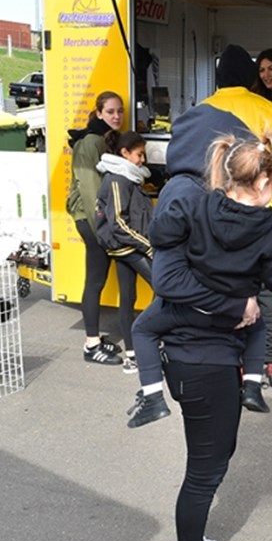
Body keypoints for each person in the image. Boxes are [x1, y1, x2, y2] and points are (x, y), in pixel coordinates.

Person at [147, 127, 272, 541]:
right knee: (205, 471)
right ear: (263, 183)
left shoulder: (198, 207)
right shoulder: (266, 228)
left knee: (216, 458)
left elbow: (168, 245)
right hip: (203, 359)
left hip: (196, 354)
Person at [126, 117, 272, 428]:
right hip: (237, 308)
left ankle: (152, 396)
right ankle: (252, 386)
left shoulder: (198, 205)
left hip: (194, 306)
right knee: (258, 327)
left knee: (142, 329)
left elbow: (161, 234)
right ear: (263, 184)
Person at [207, 44, 272, 389]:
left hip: (217, 213)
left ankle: (232, 362)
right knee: (269, 287)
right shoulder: (266, 108)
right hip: (262, 210)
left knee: (223, 284)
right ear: (249, 76)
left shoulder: (203, 110)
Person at [65, 90, 126, 365]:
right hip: (91, 220)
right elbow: (90, 192)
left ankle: (96, 339)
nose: (116, 116)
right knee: (95, 280)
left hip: (98, 219)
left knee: (96, 279)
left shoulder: (105, 139)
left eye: (119, 111)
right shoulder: (90, 142)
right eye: (110, 111)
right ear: (99, 113)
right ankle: (91, 345)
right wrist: (102, 230)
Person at [93, 130, 153, 373]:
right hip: (126, 247)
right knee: (163, 287)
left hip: (127, 246)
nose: (142, 160)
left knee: (128, 298)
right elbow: (118, 222)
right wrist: (147, 246)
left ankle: (132, 354)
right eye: (139, 155)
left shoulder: (128, 177)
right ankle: (146, 341)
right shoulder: (118, 179)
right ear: (124, 153)